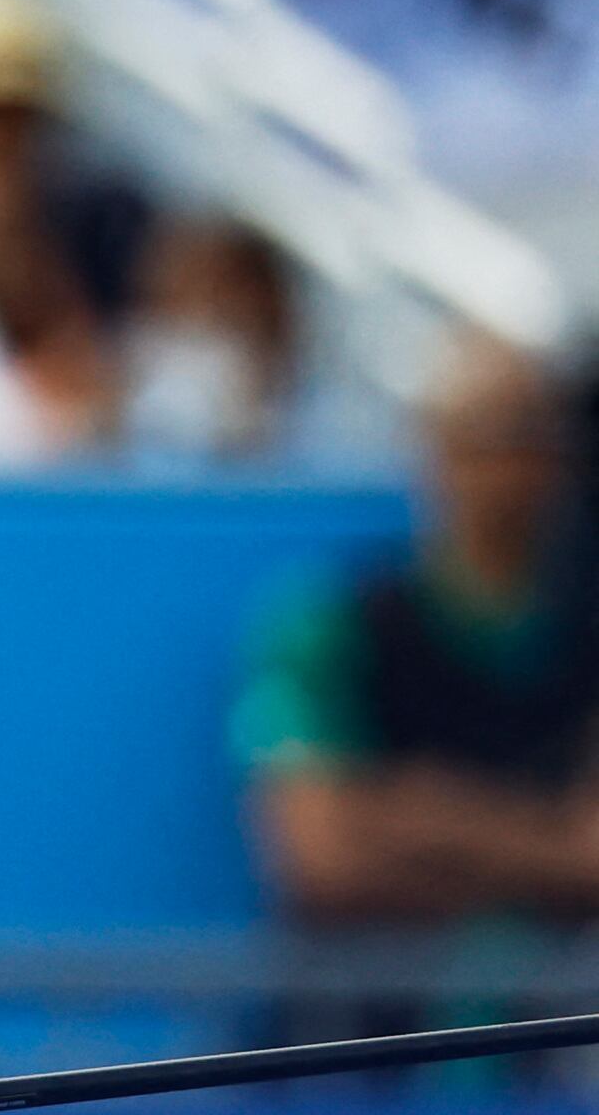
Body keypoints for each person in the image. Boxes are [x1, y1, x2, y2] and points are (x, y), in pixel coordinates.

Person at [236, 337, 599, 929]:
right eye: (481, 441)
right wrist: (542, 841)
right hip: (373, 1013)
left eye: (529, 440)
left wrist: (431, 815)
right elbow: (323, 861)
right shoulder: (326, 625)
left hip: (562, 1011)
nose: (507, 471)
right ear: (433, 452)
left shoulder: (583, 632)